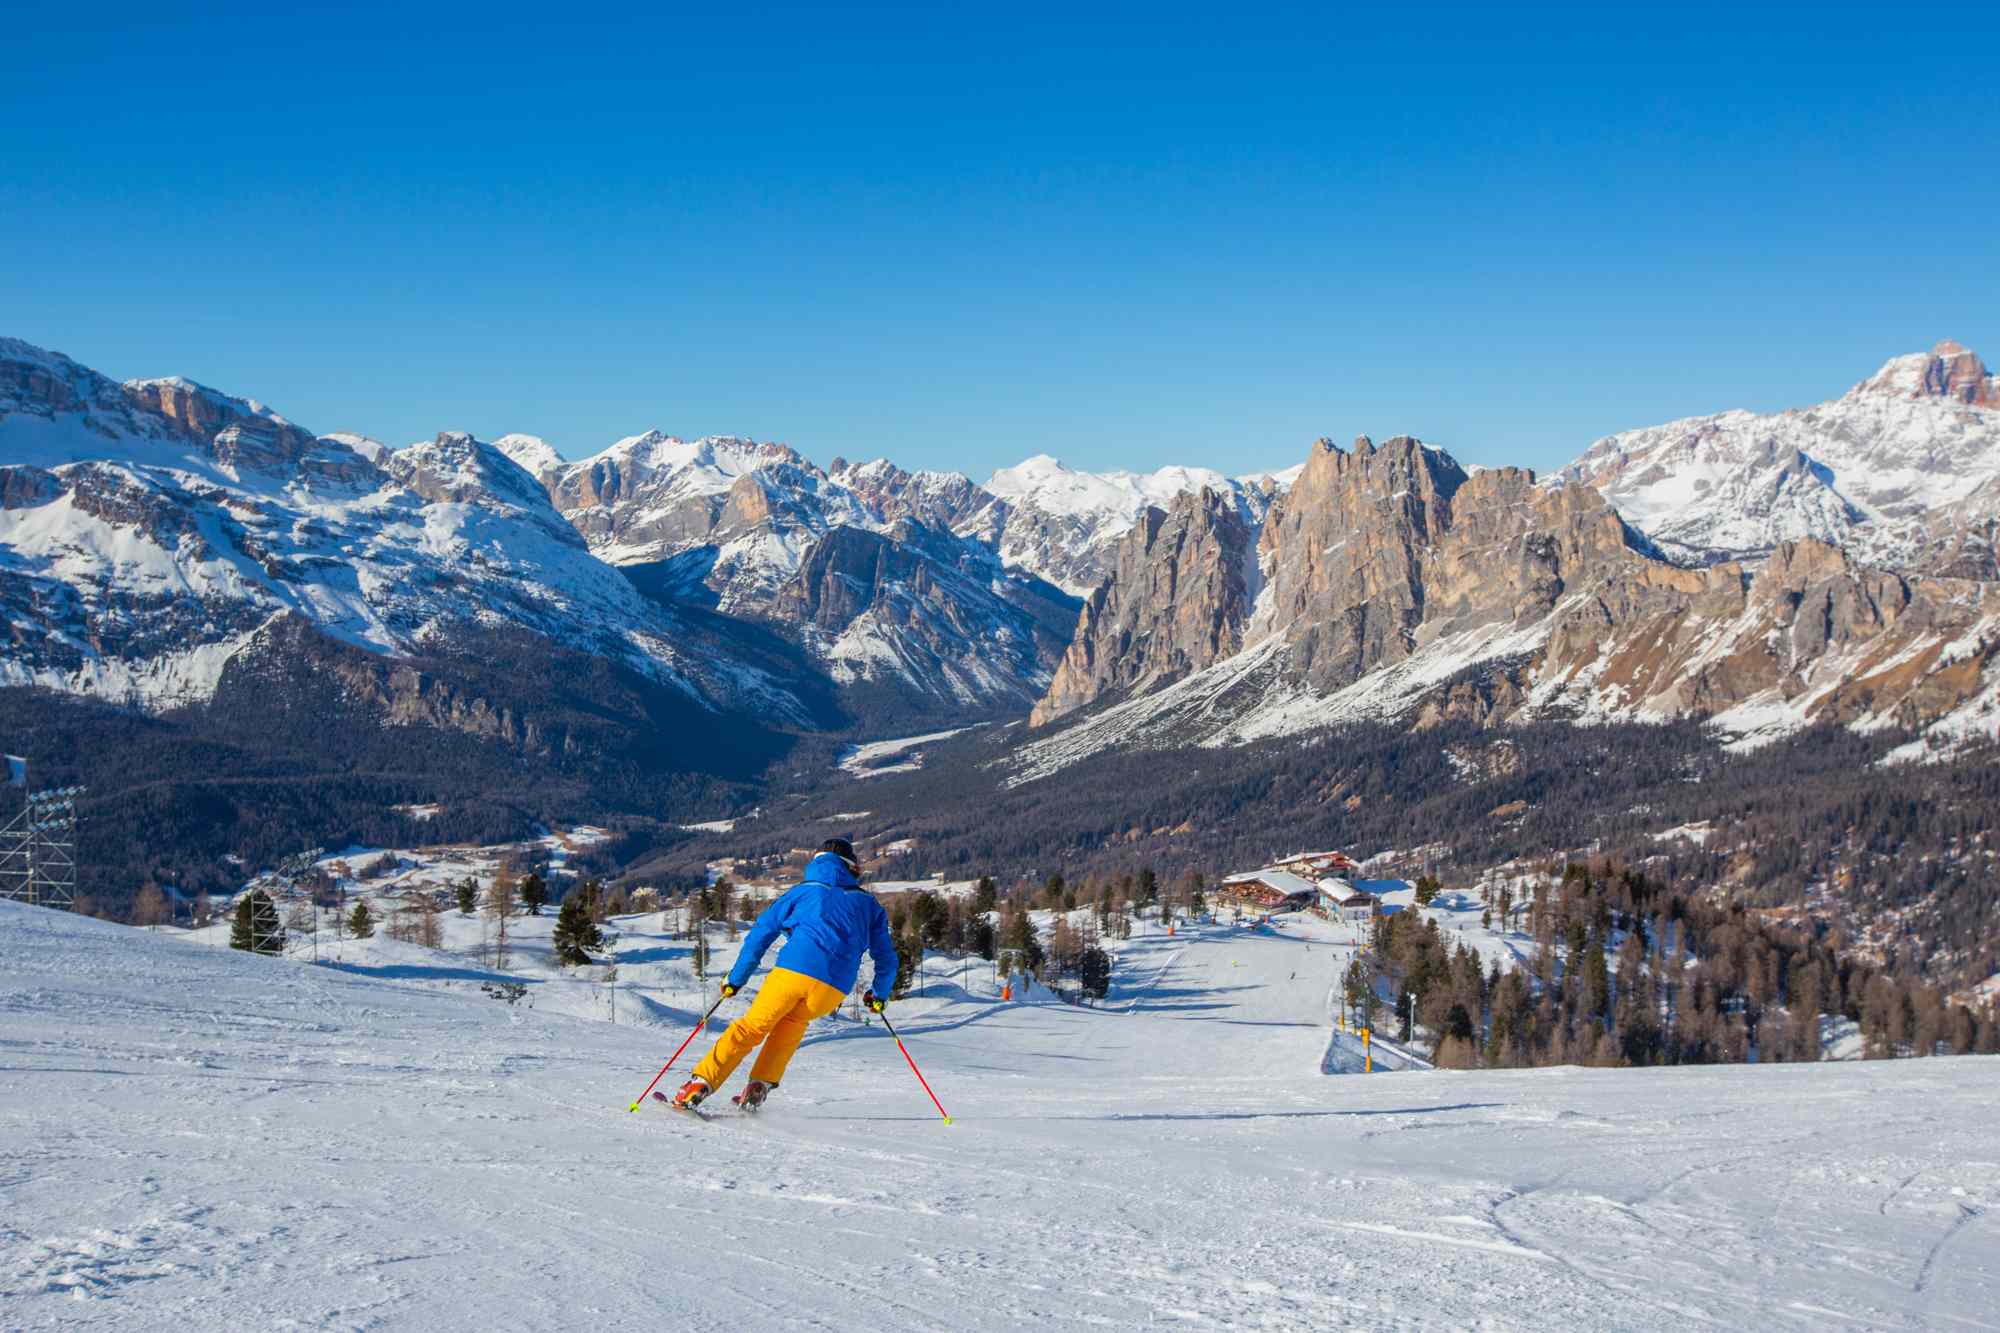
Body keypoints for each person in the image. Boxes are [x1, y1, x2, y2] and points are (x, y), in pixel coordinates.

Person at [671, 838, 899, 1112]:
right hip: (833, 989)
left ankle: (700, 1084)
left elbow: (760, 934)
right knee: (792, 1025)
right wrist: (879, 994)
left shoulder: (802, 892)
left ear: (817, 862)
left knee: (751, 1028)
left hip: (793, 972)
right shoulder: (870, 904)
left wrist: (736, 979)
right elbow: (886, 957)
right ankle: (761, 1084)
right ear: (852, 867)